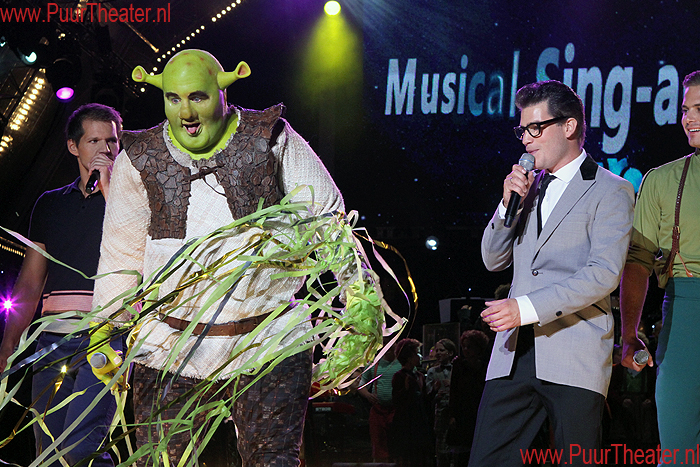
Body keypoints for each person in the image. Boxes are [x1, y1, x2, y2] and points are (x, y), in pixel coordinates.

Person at [89, 49, 372, 467]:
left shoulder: (271, 137)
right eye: (173, 99)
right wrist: (104, 327)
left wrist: (360, 302)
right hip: (170, 346)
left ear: (223, 92)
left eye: (198, 97)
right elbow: (121, 248)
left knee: (272, 460)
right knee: (162, 461)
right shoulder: (139, 157)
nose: (186, 113)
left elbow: (328, 219)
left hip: (268, 342)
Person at [472, 80, 635, 466]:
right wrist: (507, 204)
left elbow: (603, 273)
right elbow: (492, 259)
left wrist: (525, 308)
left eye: (535, 128)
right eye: (522, 130)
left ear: (569, 126)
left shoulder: (611, 190)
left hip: (574, 352)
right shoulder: (527, 188)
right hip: (513, 355)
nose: (526, 140)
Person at [0, 103, 123, 466]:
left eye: (112, 141)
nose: (104, 149)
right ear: (73, 146)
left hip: (106, 336)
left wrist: (111, 190)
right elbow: (30, 281)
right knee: (50, 453)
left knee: (80, 447)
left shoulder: (131, 199)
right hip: (52, 342)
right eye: (94, 141)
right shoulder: (50, 204)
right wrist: (9, 342)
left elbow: (136, 243)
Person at [620, 70, 700, 456]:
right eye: (685, 110)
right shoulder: (661, 180)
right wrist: (629, 333)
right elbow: (637, 261)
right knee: (679, 449)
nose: (689, 118)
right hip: (685, 311)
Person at [447, 330, 489, 466]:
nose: (465, 350)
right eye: (464, 346)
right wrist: (452, 414)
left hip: (478, 408)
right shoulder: (459, 364)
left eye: (469, 346)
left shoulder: (484, 365)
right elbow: (454, 390)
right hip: (463, 411)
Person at [357, 338, 402, 463]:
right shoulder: (374, 363)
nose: (388, 347)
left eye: (391, 344)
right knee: (378, 445)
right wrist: (367, 395)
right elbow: (361, 385)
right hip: (379, 411)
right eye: (385, 344)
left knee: (397, 446)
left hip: (398, 412)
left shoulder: (402, 362)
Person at [390, 338, 431, 467]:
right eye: (417, 353)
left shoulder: (419, 375)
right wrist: (405, 389)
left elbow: (424, 399)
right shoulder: (400, 376)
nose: (420, 356)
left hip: (420, 421)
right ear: (408, 357)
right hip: (406, 424)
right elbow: (397, 401)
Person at [425, 338, 455, 467]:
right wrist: (436, 392)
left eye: (441, 350)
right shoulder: (432, 372)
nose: (438, 353)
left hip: (454, 412)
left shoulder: (456, 369)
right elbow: (428, 394)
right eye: (436, 350)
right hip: (440, 411)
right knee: (441, 445)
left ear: (450, 353)